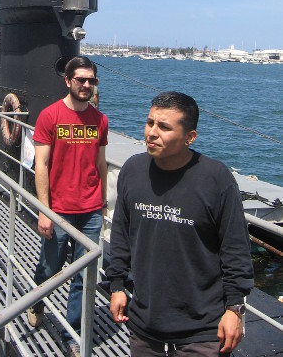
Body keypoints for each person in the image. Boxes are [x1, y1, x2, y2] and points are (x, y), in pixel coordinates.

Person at [106, 91, 254, 357]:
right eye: (150, 122)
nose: (151, 132)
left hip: (202, 333)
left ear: (190, 137)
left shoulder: (216, 179)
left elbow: (236, 251)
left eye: (164, 127)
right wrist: (116, 285)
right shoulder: (133, 170)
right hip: (144, 328)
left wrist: (235, 308)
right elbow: (120, 234)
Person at [27, 56, 108, 357]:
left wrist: (103, 203)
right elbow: (41, 166)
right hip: (58, 210)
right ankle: (36, 300)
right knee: (50, 266)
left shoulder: (100, 120)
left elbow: (100, 163)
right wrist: (44, 212)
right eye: (81, 80)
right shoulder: (50, 116)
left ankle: (71, 332)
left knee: (84, 275)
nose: (86, 84)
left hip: (90, 210)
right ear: (68, 81)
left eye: (91, 80)